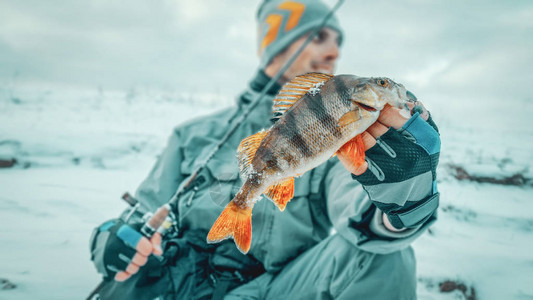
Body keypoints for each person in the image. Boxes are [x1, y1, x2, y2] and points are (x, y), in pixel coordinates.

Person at [89, 0, 441, 299]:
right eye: (318, 36)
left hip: (278, 288)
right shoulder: (191, 135)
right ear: (277, 46)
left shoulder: (345, 138)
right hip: (185, 285)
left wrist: (401, 202)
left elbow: (359, 211)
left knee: (387, 257)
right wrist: (111, 242)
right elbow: (141, 217)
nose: (334, 51)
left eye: (337, 41)